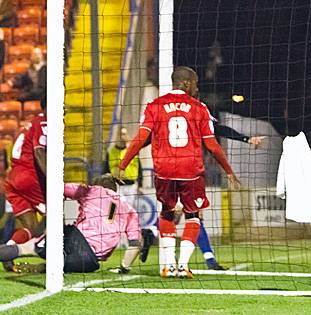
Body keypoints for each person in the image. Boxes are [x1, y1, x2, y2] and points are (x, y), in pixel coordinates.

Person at [118, 66, 241, 278]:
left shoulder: (155, 106)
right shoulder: (198, 108)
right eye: (195, 82)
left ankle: (168, 266)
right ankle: (183, 266)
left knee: (167, 212)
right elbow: (212, 145)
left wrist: (123, 165)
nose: (197, 86)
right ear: (187, 83)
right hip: (190, 170)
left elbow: (140, 139)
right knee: (193, 215)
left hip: (164, 169)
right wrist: (228, 170)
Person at [0, 175, 144, 274]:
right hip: (90, 262)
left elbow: (58, 188)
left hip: (76, 240)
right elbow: (136, 243)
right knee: (60, 265)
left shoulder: (92, 191)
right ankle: (44, 267)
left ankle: (31, 255)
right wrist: (124, 268)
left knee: (27, 248)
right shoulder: (129, 210)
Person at [2, 93, 46, 270]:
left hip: (14, 178)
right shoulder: (44, 120)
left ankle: (7, 251)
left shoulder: (26, 125)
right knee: (55, 212)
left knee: (31, 228)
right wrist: (53, 179)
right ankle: (55, 254)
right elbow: (38, 150)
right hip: (31, 177)